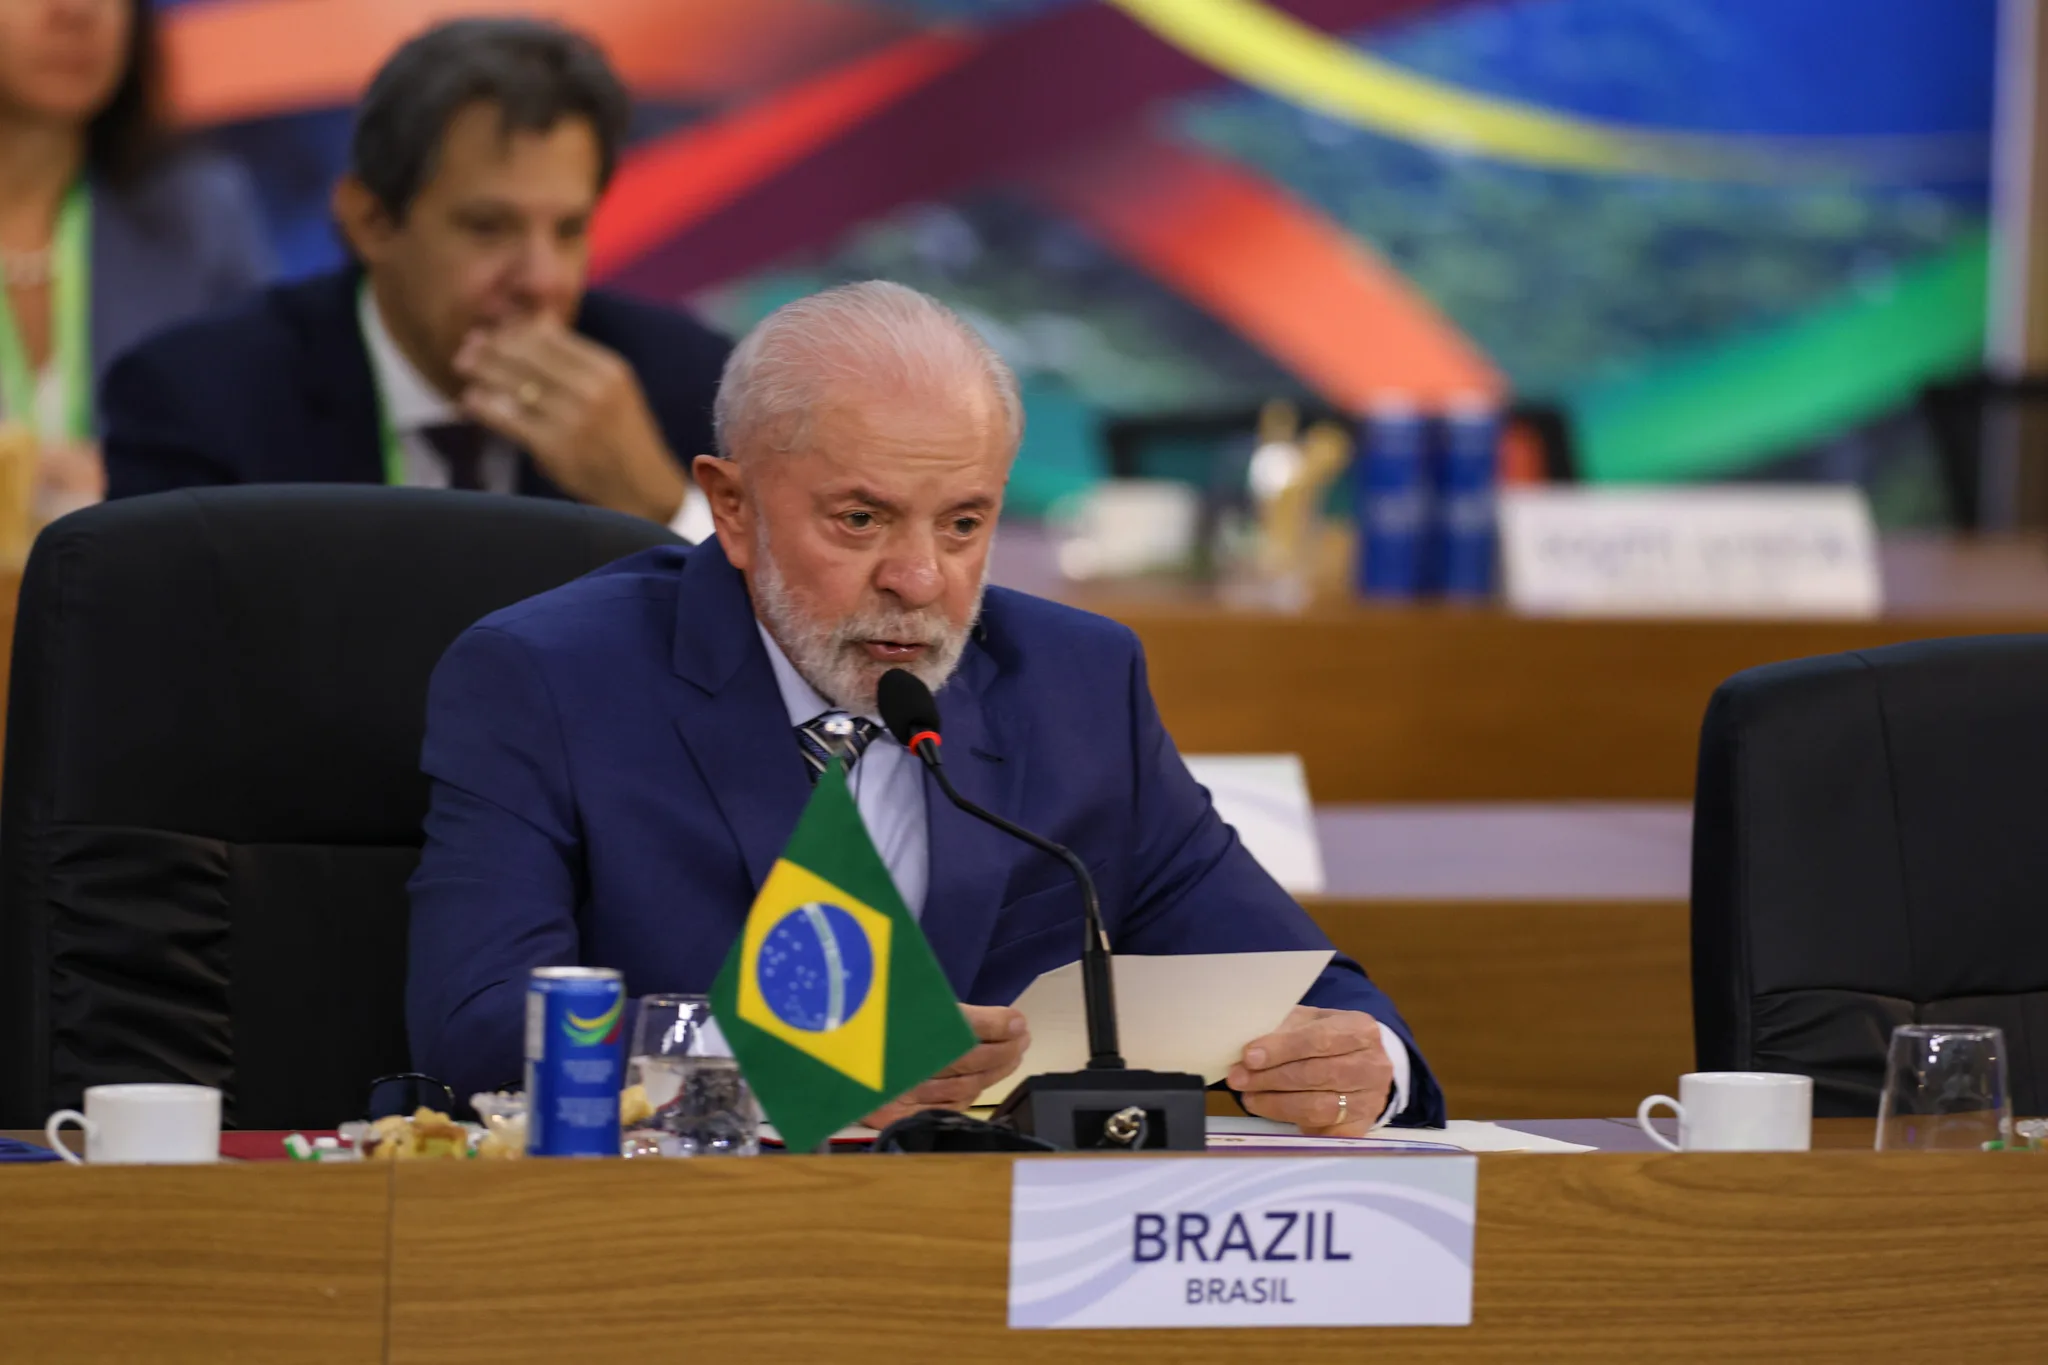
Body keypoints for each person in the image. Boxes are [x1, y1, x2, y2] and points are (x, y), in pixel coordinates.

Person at [407, 281, 1444, 1133]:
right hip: (671, 1257)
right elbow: (481, 1028)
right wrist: (795, 1066)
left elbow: (1303, 984)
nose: (918, 578)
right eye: (860, 519)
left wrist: (1363, 1061)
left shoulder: (1075, 685)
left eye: (962, 525)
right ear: (732, 508)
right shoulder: (546, 679)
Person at [99, 18, 726, 533]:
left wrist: (662, 509)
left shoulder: (688, 385)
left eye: (567, 231)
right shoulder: (201, 402)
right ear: (369, 219)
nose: (541, 280)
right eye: (488, 227)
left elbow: (778, 661)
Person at [0, 0, 270, 518]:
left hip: (145, 589)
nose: (78, 11)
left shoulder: (200, 213)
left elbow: (263, 454)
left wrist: (138, 477)